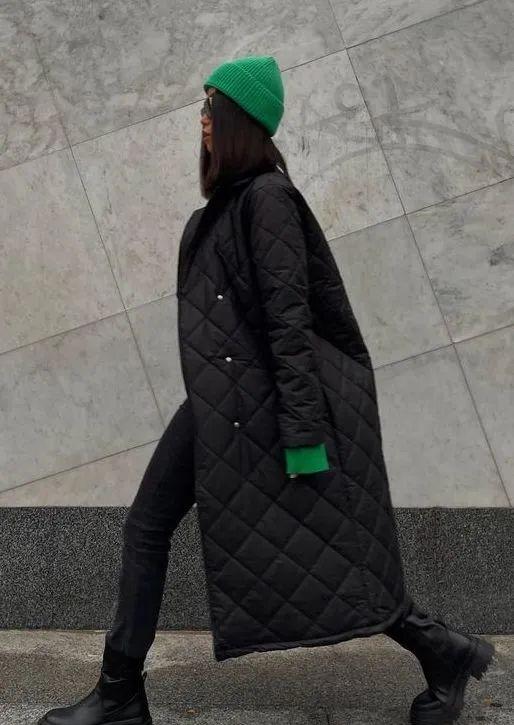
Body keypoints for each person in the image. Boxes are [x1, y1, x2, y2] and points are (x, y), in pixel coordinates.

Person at [38, 55, 495, 725]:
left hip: (266, 407)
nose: (200, 119)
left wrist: (303, 436)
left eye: (209, 107)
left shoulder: (268, 199)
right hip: (229, 405)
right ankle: (120, 692)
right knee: (167, 527)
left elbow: (290, 321)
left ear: (237, 119)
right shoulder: (228, 206)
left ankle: (442, 649)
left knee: (321, 546)